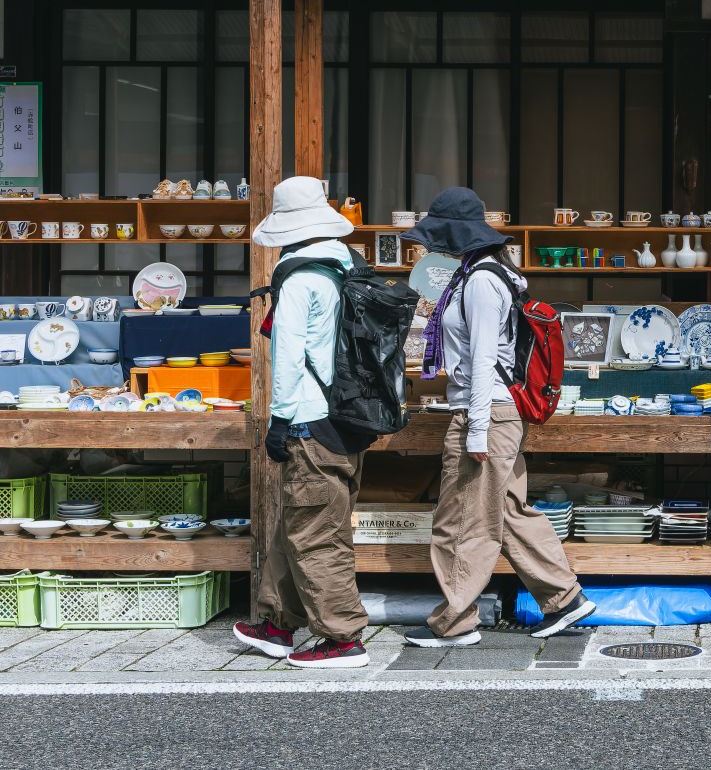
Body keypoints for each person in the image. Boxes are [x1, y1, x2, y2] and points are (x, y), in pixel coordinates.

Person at [399, 187, 595, 648]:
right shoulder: (484, 273)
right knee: (507, 512)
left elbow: (485, 357)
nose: (430, 245)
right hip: (497, 410)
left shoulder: (482, 281)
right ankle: (565, 599)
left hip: (484, 411)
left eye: (437, 235)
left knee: (461, 520)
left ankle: (454, 621)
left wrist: (476, 430)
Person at [233, 175, 374, 669]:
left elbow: (288, 358)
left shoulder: (298, 278)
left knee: (316, 533)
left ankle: (343, 638)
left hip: (310, 422)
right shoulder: (346, 265)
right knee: (301, 522)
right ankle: (277, 623)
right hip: (347, 419)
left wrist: (279, 420)